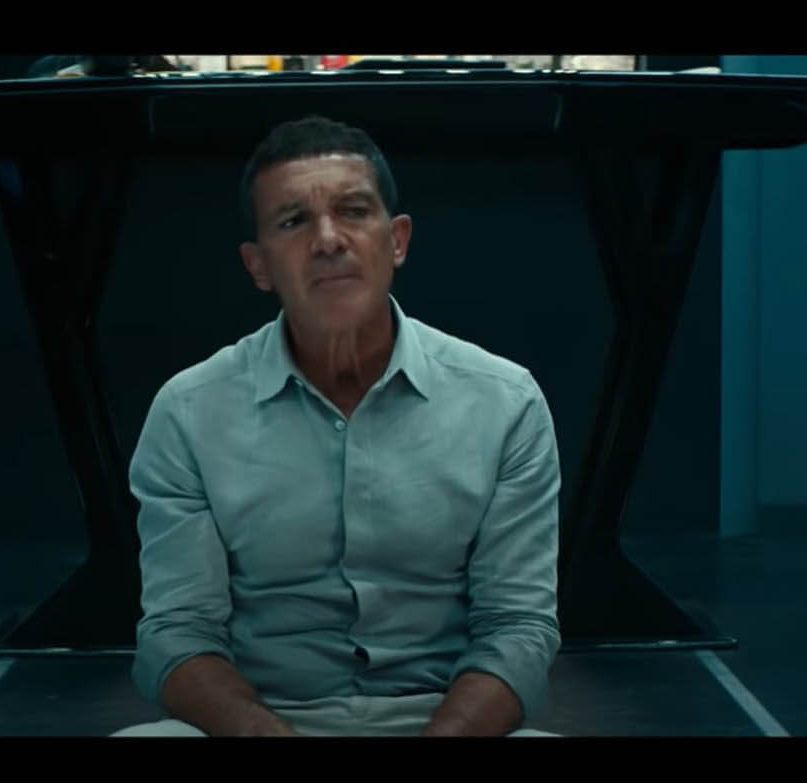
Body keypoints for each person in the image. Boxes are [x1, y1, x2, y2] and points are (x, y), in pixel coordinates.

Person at [111, 116, 563, 737]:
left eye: (353, 211)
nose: (328, 240)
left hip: (446, 718)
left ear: (397, 240)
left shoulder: (505, 403)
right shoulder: (188, 411)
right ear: (258, 266)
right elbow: (177, 633)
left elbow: (517, 626)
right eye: (293, 221)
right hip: (261, 721)